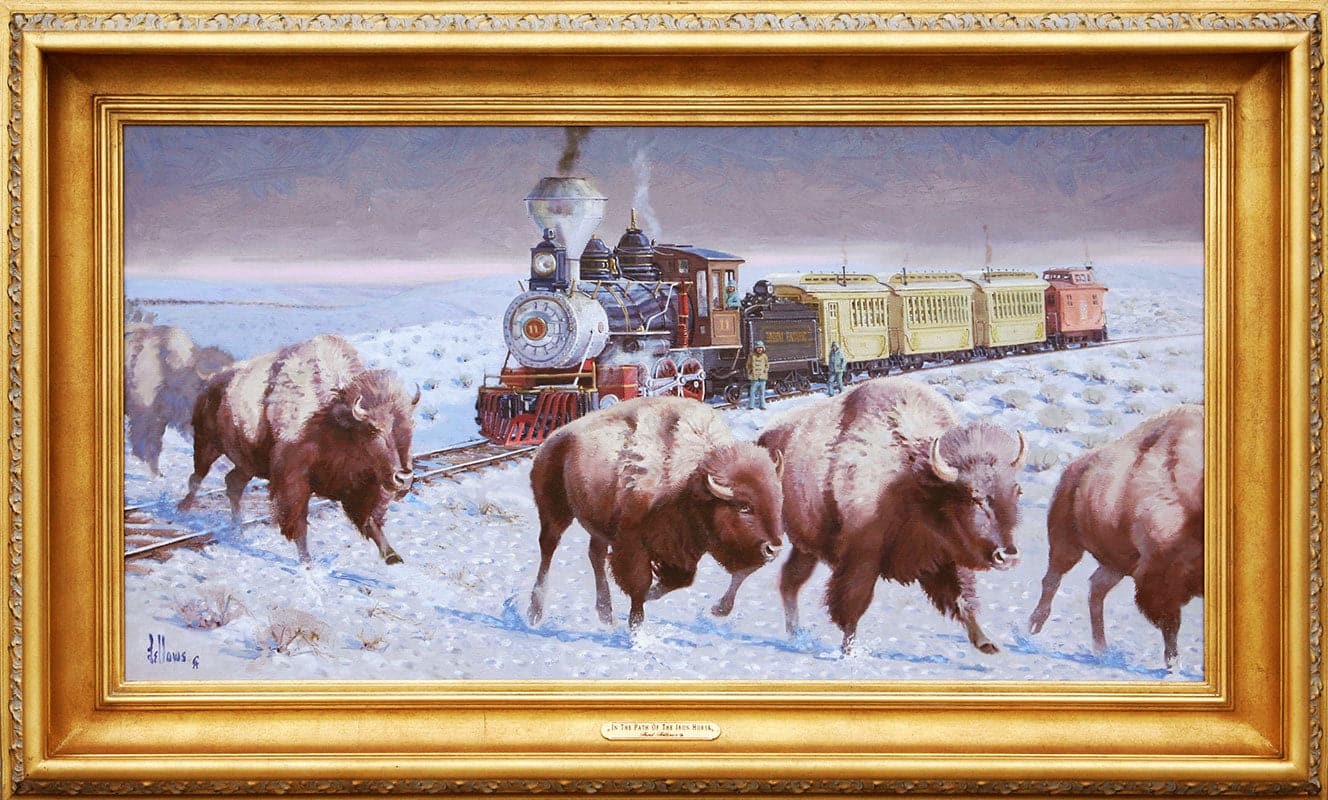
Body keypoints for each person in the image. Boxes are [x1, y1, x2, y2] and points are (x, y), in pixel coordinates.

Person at [746, 341, 769, 410]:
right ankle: (751, 406)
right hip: (754, 377)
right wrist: (750, 371)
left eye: (761, 348)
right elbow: (748, 365)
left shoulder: (764, 356)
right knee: (752, 392)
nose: (760, 349)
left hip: (762, 377)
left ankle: (762, 405)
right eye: (758, 348)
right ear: (756, 348)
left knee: (762, 392)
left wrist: (765, 371)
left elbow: (767, 365)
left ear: (763, 348)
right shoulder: (751, 355)